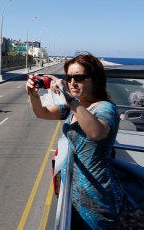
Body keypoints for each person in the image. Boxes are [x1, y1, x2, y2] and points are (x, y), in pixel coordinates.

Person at [26, 52, 132, 229]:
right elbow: (42, 113)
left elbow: (96, 132)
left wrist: (70, 99)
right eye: (69, 78)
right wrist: (33, 95)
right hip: (74, 193)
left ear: (94, 80)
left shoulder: (105, 108)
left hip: (97, 197)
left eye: (80, 77)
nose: (72, 82)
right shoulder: (75, 106)